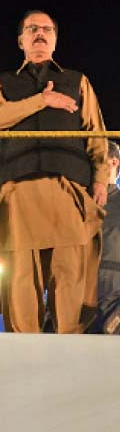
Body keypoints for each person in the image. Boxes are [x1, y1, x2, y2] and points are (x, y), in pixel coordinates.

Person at [0, 9, 109, 333]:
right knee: (22, 281)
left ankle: (71, 363)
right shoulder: (2, 83)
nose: (40, 34)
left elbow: (96, 134)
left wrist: (100, 181)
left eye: (47, 29)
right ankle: (24, 364)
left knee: (70, 279)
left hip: (67, 190)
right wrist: (43, 99)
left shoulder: (78, 81)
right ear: (20, 40)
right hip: (19, 194)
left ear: (55, 39)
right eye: (32, 29)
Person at [96, 141, 120, 334]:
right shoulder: (79, 203)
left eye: (98, 158)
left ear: (114, 162)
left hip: (113, 300)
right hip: (78, 296)